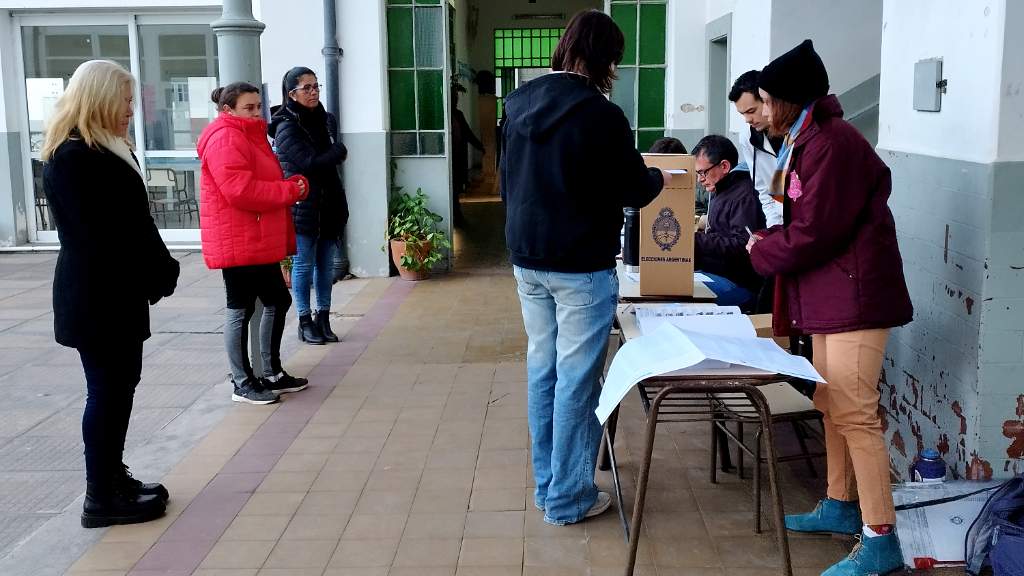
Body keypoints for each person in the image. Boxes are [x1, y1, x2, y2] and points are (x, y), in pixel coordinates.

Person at [747, 40, 913, 576]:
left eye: (767, 102)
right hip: (828, 294)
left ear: (791, 101)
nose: (763, 113)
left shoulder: (832, 144)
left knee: (857, 414)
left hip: (854, 296)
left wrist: (762, 251)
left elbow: (816, 231)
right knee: (830, 401)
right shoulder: (803, 142)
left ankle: (880, 538)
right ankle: (840, 505)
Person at [501, 9, 669, 526]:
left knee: (542, 372)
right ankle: (570, 498)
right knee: (576, 380)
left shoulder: (518, 102)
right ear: (605, 59)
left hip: (527, 259)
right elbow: (635, 188)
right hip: (580, 266)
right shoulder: (601, 114)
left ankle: (548, 486)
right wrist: (660, 177)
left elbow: (508, 179)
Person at [41, 60, 177, 527]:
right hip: (95, 297)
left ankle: (113, 478)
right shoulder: (73, 157)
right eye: (124, 101)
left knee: (121, 388)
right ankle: (100, 496)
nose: (130, 110)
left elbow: (137, 222)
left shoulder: (106, 149)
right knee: (107, 392)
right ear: (99, 99)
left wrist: (161, 266)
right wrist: (153, 271)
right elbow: (107, 236)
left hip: (114, 293)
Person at [198, 82, 310, 405]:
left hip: (254, 238)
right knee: (240, 309)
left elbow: (259, 182)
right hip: (237, 240)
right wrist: (290, 192)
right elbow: (241, 191)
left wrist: (287, 185)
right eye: (250, 107)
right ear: (228, 110)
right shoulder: (224, 138)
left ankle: (271, 373)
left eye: (259, 106)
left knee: (277, 300)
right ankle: (242, 381)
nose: (258, 112)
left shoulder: (249, 134)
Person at [268, 67, 349, 345]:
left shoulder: (326, 120)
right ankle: (304, 321)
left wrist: (331, 154)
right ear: (292, 94)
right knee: (303, 265)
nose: (313, 92)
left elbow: (322, 163)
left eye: (316, 86)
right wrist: (338, 151)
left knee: (325, 265)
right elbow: (311, 164)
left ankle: (322, 317)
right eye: (307, 88)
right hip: (303, 206)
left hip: (327, 203)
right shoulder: (286, 126)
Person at [690, 135, 764, 310]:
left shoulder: (745, 195)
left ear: (724, 166)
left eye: (702, 172)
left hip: (740, 283)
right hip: (716, 274)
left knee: (676, 301)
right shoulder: (722, 190)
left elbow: (743, 245)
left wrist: (696, 241)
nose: (700, 179)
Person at [729, 70, 784, 227]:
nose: (747, 120)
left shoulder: (797, 134)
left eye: (751, 111)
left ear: (768, 101)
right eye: (742, 114)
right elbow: (765, 193)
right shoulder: (747, 137)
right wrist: (773, 231)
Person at [451, 88, 485, 225]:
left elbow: (466, 132)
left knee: (457, 183)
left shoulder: (458, 114)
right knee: (452, 184)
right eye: (453, 101)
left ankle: (456, 210)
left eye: (455, 101)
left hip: (459, 153)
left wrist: (479, 146)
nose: (455, 104)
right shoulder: (441, 116)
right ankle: (455, 212)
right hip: (448, 155)